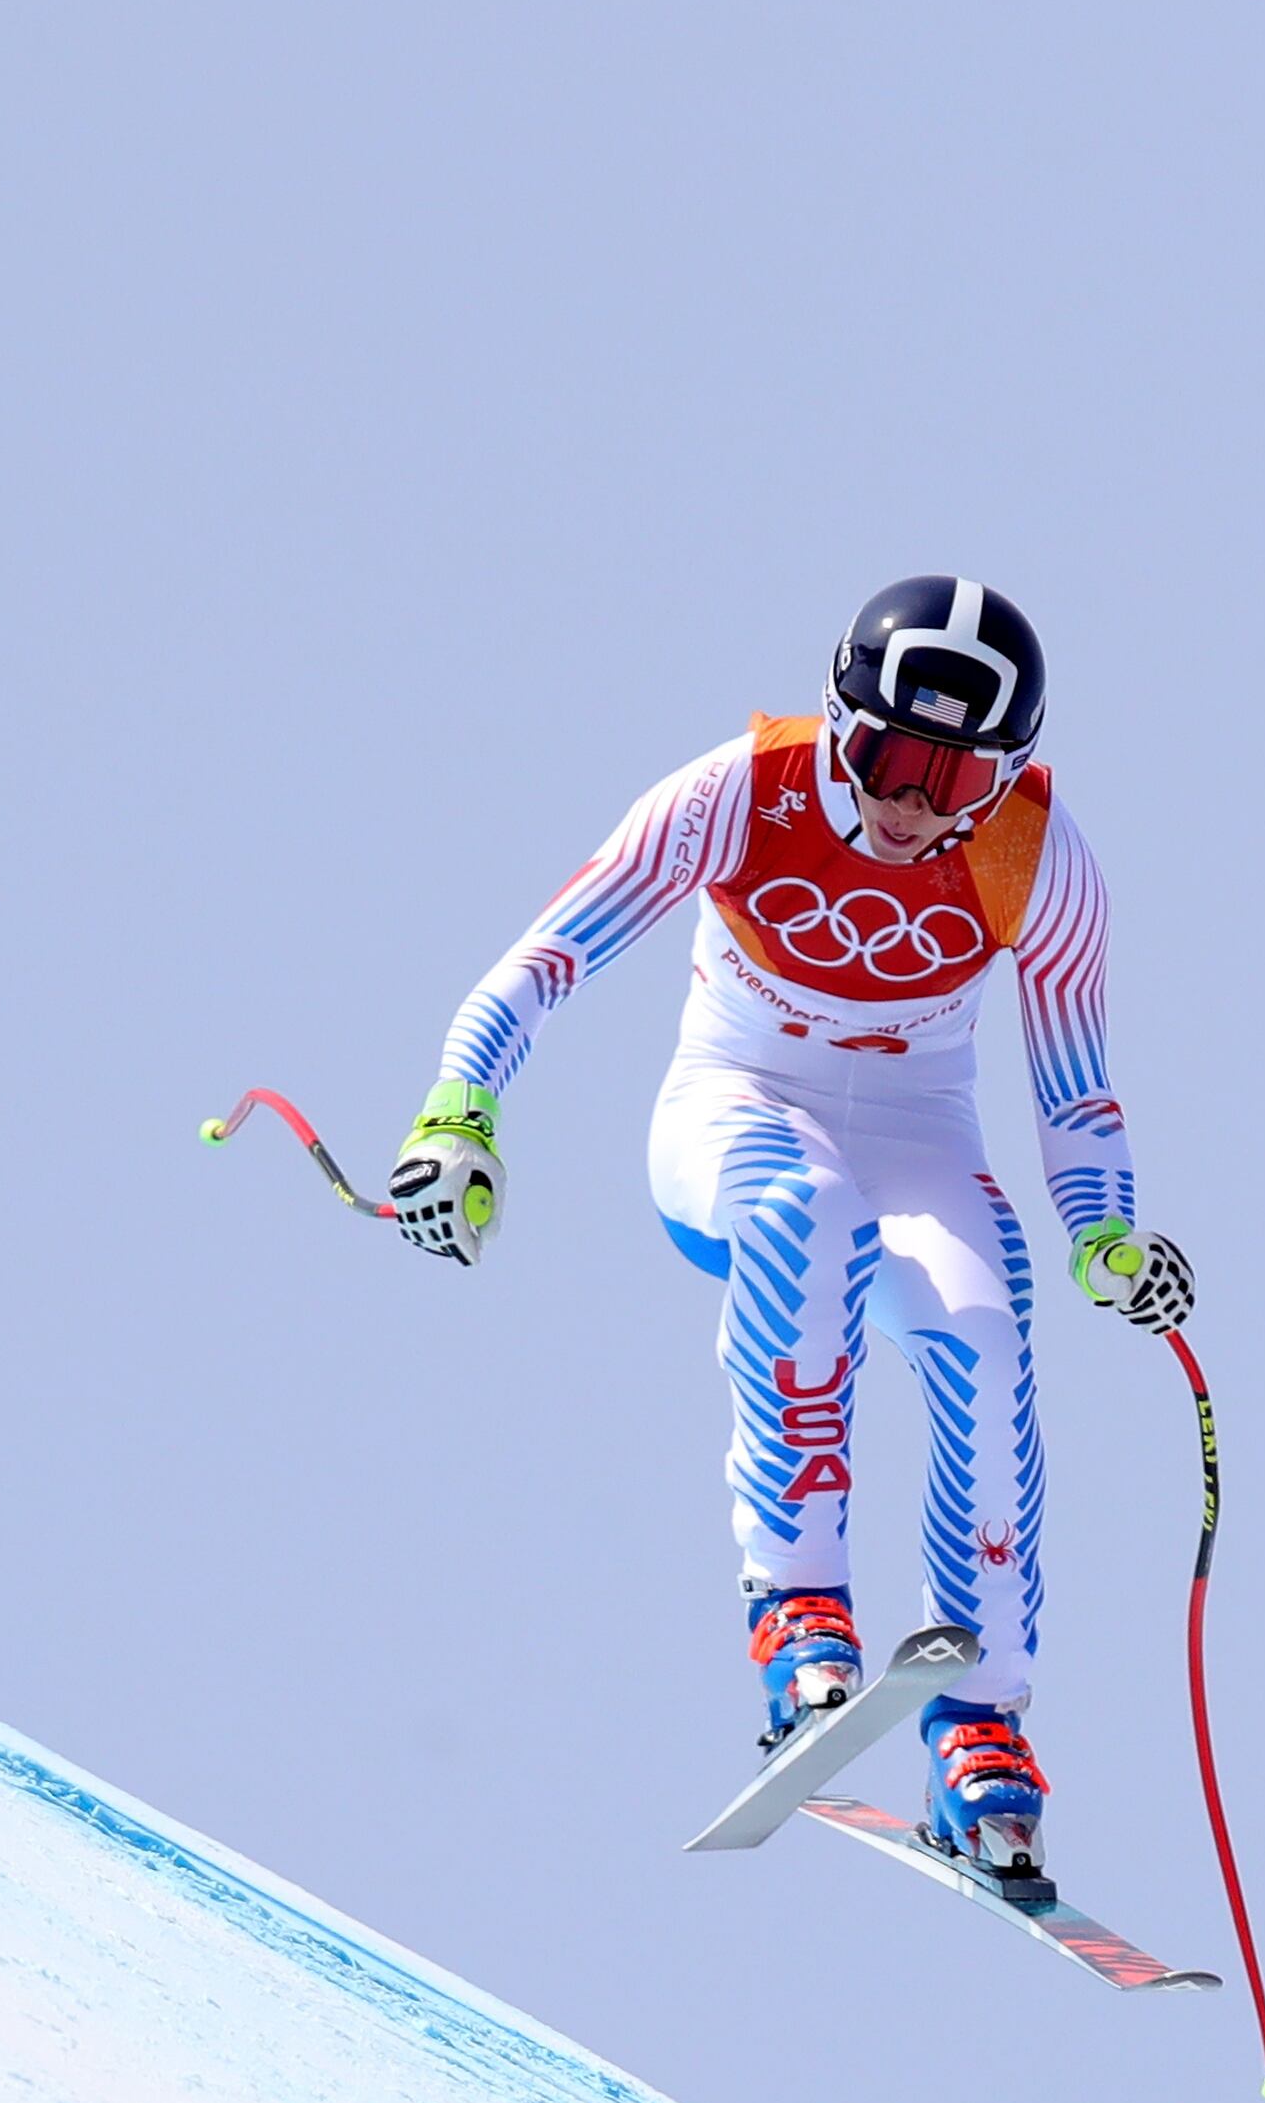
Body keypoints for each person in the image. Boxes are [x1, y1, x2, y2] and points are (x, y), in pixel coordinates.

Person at [388, 577, 1193, 1891]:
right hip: (739, 1103)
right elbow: (547, 956)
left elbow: (1077, 1089)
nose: (914, 802)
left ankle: (981, 1730)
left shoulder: (1037, 864)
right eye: (889, 755)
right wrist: (459, 1112)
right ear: (838, 728)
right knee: (803, 1213)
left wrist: (1107, 1240)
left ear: (1008, 779)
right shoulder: (736, 793)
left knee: (988, 1334)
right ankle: (797, 1600)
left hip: (922, 1130)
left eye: (955, 775)